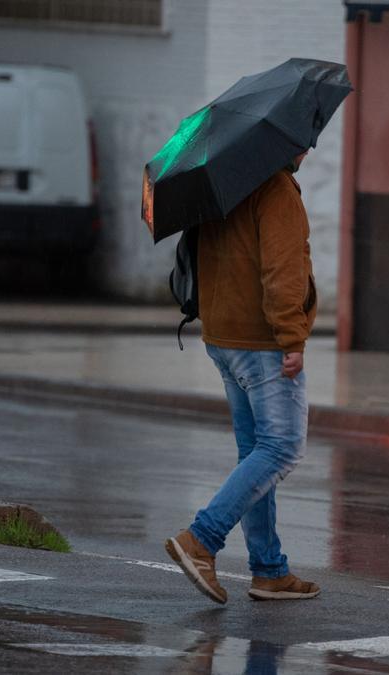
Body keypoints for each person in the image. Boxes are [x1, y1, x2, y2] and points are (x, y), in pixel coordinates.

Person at [165, 151, 319, 604]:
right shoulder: (276, 190)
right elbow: (282, 269)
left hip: (223, 335)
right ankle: (201, 539)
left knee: (255, 452)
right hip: (261, 341)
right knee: (282, 447)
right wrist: (292, 336)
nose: (306, 148)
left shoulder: (224, 182)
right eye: (304, 138)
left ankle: (269, 570)